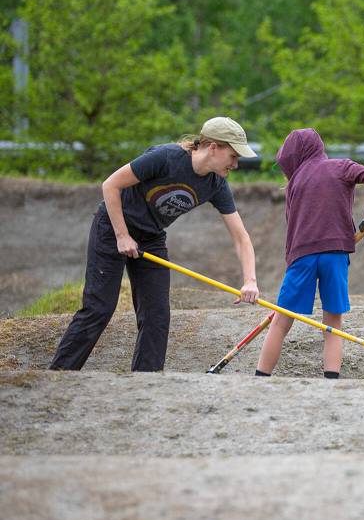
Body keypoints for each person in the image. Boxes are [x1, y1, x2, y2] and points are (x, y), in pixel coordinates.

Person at [49, 117, 261, 372]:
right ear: (213, 147)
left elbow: (241, 237)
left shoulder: (216, 185)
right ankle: (59, 375)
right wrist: (122, 235)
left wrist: (250, 280)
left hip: (150, 238)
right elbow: (111, 185)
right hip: (112, 227)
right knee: (100, 307)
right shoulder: (166, 157)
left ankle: (146, 382)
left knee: (157, 315)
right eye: (233, 155)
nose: (236, 164)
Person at [254, 128, 364, 379]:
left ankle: (261, 376)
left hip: (301, 256)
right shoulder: (340, 167)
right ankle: (331, 379)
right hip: (335, 254)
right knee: (333, 322)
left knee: (282, 321)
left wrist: (292, 264)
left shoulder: (295, 183)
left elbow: (291, 227)